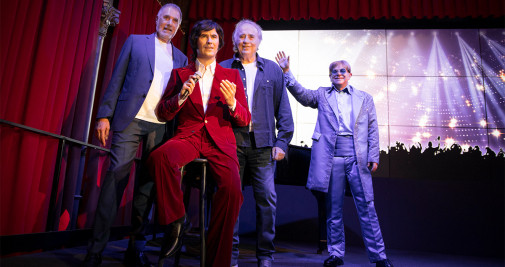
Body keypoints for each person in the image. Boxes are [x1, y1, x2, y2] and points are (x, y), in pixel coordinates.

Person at [83, 4, 188, 267]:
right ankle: (95, 250)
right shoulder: (136, 42)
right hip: (130, 120)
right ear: (157, 19)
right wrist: (104, 115)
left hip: (160, 126)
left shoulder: (182, 59)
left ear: (178, 26)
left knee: (148, 187)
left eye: (175, 20)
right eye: (166, 17)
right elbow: (117, 77)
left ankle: (135, 248)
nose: (169, 23)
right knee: (115, 176)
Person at [275, 52, 393, 267]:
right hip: (331, 157)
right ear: (329, 76)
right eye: (333, 72)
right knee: (334, 208)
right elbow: (302, 95)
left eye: (342, 71)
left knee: (367, 206)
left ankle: (379, 257)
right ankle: (336, 254)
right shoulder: (322, 94)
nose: (338, 74)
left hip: (358, 157)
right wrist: (286, 72)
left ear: (349, 74)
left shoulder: (364, 98)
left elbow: (373, 128)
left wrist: (373, 155)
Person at [147, 20, 251, 267]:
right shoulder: (179, 74)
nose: (210, 41)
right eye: (204, 36)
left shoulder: (232, 76)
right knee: (159, 157)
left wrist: (232, 103)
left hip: (220, 142)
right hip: (189, 136)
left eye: (214, 37)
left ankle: (218, 261)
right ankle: (176, 221)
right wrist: (181, 97)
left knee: (233, 190)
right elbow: (164, 112)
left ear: (220, 43)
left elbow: (245, 119)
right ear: (196, 41)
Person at [220, 19, 293, 267]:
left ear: (258, 41)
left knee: (267, 200)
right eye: (242, 36)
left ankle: (265, 256)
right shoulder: (223, 68)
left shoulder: (273, 70)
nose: (246, 41)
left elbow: (283, 112)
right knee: (230, 200)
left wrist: (282, 143)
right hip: (231, 145)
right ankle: (230, 255)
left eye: (251, 37)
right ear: (234, 41)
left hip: (263, 147)